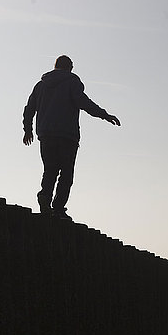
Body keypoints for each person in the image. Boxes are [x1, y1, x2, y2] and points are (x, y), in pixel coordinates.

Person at [22, 55, 121, 220]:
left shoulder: (41, 86)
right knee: (66, 173)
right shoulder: (72, 82)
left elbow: (29, 109)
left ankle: (45, 196)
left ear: (55, 66)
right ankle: (58, 209)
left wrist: (27, 130)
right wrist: (105, 115)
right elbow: (84, 103)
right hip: (67, 135)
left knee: (50, 170)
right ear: (70, 68)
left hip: (46, 134)